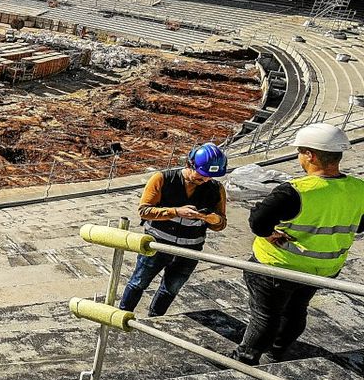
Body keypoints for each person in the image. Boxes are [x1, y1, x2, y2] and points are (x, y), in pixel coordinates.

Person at [230, 123, 364, 365]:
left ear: (310, 155)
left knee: (264, 316)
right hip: (323, 269)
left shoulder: (296, 191)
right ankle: (278, 353)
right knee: (296, 310)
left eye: (300, 151)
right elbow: (361, 225)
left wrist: (270, 235)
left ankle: (245, 358)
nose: (299, 156)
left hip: (277, 265)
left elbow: (258, 222)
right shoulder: (359, 189)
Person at [118, 143, 228, 316]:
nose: (205, 180)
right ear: (189, 165)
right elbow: (144, 211)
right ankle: (123, 314)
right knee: (138, 282)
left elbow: (221, 223)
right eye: (202, 176)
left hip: (190, 251)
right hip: (156, 245)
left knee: (171, 288)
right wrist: (176, 212)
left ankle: (155, 319)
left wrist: (209, 218)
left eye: (209, 177)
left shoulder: (216, 188)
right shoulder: (163, 179)